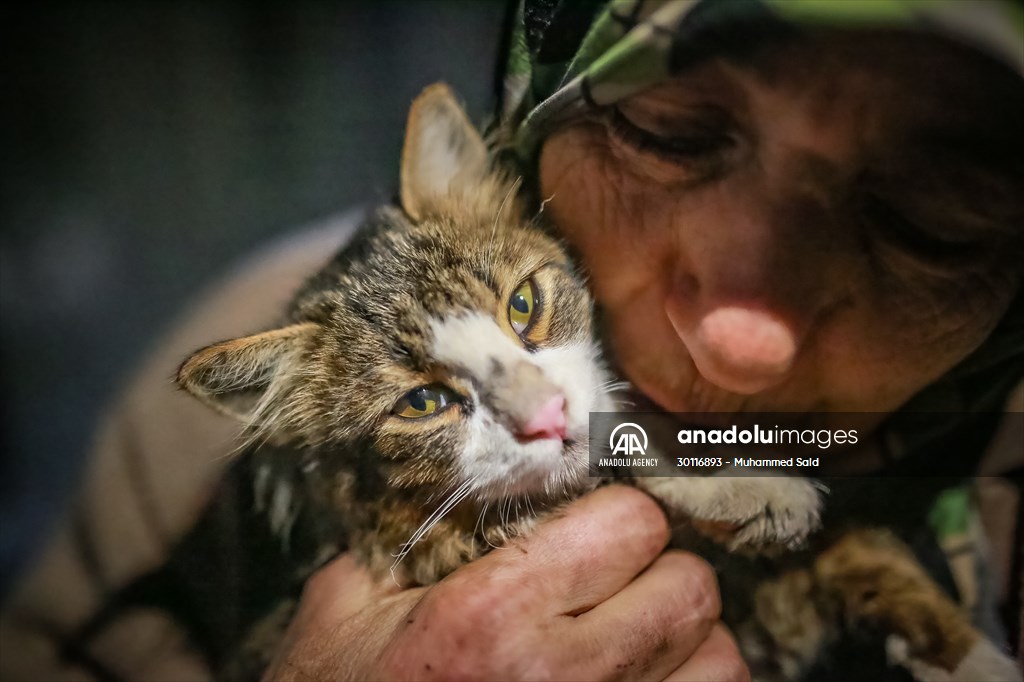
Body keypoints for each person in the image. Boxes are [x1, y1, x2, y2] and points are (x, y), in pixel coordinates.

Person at [2, 1, 1022, 680]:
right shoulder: (225, 425)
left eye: (929, 224)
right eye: (667, 132)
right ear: (529, 120)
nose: (736, 346)